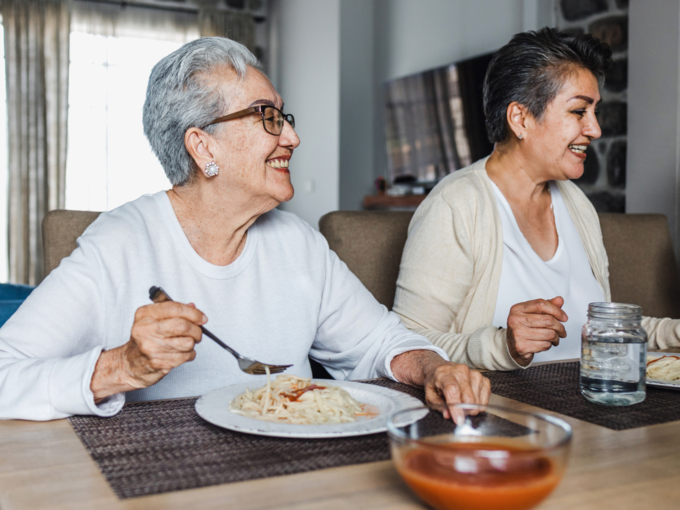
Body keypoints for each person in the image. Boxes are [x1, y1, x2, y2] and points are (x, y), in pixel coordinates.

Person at [0, 37, 489, 421]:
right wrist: (120, 366)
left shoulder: (295, 243)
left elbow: (379, 342)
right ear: (203, 147)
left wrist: (435, 368)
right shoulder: (119, 244)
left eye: (284, 117)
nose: (293, 137)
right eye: (267, 118)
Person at [393, 28, 680, 371]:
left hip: (591, 410)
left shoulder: (576, 204)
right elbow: (405, 345)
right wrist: (504, 345)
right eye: (578, 111)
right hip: (505, 414)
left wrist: (676, 332)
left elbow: (601, 332)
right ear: (520, 119)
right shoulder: (456, 206)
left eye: (595, 112)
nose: (595, 129)